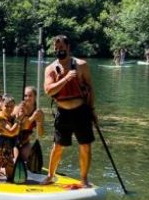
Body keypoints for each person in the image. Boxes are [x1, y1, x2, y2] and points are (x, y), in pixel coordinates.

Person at [42, 34, 97, 188]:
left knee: (85, 146)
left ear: (68, 47)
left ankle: (84, 179)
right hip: (63, 112)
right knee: (58, 147)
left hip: (81, 111)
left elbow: (90, 88)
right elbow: (48, 90)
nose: (59, 50)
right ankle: (50, 175)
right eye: (56, 48)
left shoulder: (82, 65)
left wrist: (92, 110)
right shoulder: (51, 69)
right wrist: (66, 79)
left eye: (61, 48)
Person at [14, 85, 44, 163]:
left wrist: (39, 122)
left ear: (35, 97)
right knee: (15, 163)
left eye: (30, 96)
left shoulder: (38, 112)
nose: (27, 98)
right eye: (25, 96)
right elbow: (24, 127)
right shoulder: (19, 109)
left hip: (25, 143)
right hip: (12, 142)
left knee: (32, 162)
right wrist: (33, 118)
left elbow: (40, 134)